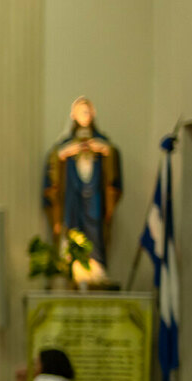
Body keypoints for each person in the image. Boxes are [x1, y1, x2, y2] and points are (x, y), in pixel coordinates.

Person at [43, 97, 122, 280]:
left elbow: (112, 169)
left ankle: (96, 264)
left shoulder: (102, 143)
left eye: (87, 112)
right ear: (73, 116)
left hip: (94, 194)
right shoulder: (65, 144)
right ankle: (71, 263)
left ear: (93, 115)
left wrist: (104, 150)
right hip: (73, 194)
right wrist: (65, 153)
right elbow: (54, 164)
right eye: (80, 112)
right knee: (71, 226)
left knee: (95, 227)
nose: (84, 116)